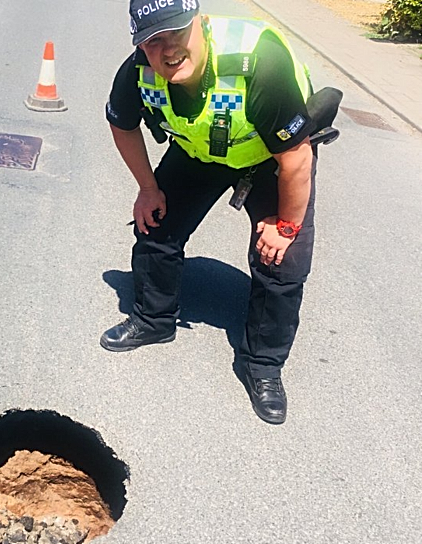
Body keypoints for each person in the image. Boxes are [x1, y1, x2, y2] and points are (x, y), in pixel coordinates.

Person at [102, 0, 325, 424]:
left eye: (176, 34)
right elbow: (121, 124)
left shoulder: (258, 62)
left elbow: (297, 158)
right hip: (201, 149)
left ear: (200, 25)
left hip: (268, 157)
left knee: (282, 263)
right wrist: (148, 189)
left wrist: (287, 226)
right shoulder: (137, 71)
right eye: (153, 41)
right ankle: (154, 318)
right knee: (156, 224)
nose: (167, 51)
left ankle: (262, 365)